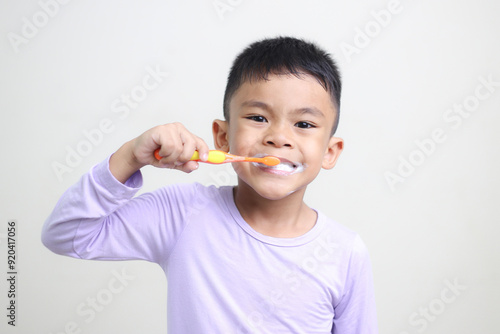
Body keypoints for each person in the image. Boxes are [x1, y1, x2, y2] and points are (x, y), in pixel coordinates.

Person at [42, 36, 378, 333]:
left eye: (304, 123)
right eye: (258, 118)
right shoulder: (183, 214)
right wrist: (131, 156)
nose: (278, 138)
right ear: (222, 136)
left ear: (330, 152)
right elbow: (66, 234)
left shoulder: (345, 253)